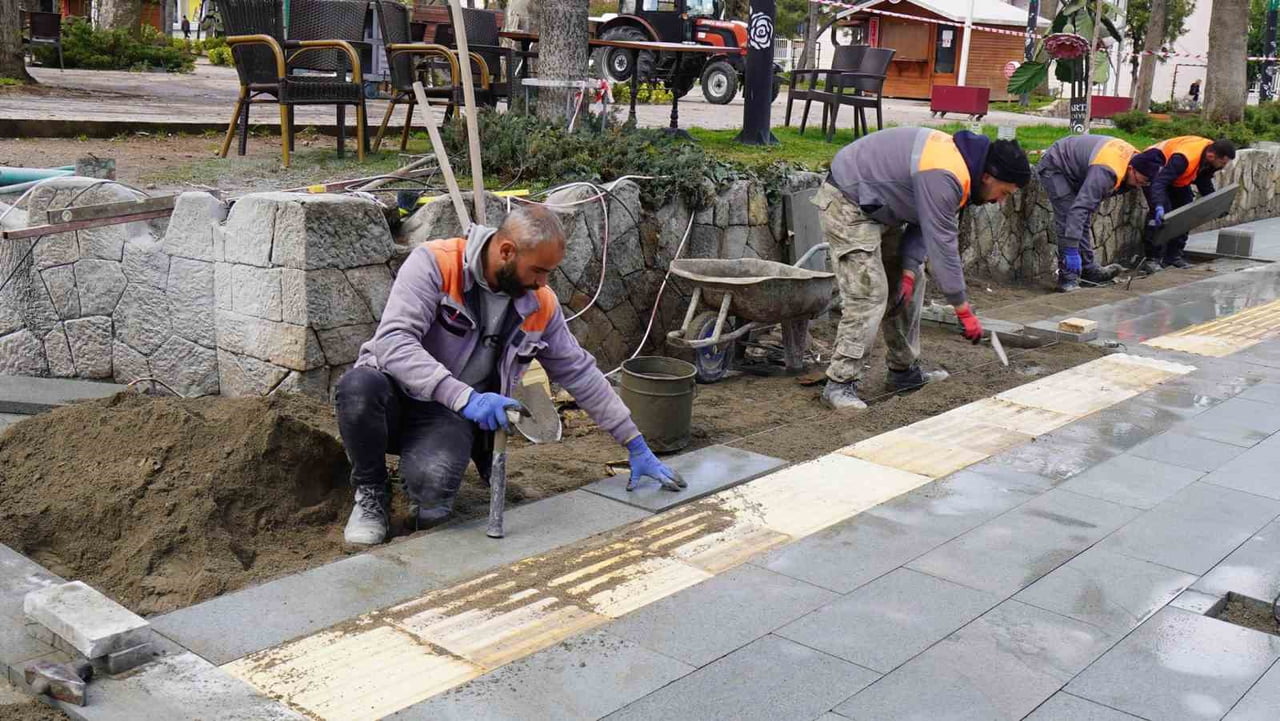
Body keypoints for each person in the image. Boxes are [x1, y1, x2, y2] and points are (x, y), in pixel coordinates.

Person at [335, 205, 685, 545]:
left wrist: (634, 442)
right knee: (358, 388)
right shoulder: (436, 263)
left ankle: (429, 479)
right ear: (506, 251)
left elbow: (580, 373)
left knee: (433, 495)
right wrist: (466, 397)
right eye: (538, 271)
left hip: (446, 414)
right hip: (397, 395)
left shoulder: (540, 304)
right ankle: (371, 490)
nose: (543, 283)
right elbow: (394, 343)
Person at [814, 127, 1032, 411]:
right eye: (1003, 192)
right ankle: (839, 384)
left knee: (912, 282)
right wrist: (962, 308)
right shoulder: (946, 173)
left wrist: (907, 266)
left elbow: (923, 221)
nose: (1000, 201)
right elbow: (943, 246)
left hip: (881, 204)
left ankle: (903, 373)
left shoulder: (963, 170)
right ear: (989, 176)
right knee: (869, 293)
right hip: (848, 198)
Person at [1038, 135, 1165, 292]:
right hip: (1057, 165)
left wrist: (1157, 206)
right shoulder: (1106, 172)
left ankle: (1088, 270)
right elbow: (1078, 211)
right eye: (1142, 181)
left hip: (1078, 167)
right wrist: (1071, 250)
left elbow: (1147, 183)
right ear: (1131, 169)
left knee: (1081, 219)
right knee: (1069, 217)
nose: (1142, 185)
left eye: (1146, 183)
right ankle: (1067, 279)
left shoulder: (1139, 162)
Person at [1140, 136, 1235, 273]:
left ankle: (1173, 256)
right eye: (1222, 162)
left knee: (1186, 210)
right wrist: (1159, 205)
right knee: (1163, 215)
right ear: (1211, 156)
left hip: (1177, 177)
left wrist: (1216, 204)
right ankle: (1152, 259)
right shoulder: (1184, 158)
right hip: (1155, 167)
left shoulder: (1209, 154)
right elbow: (1159, 183)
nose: (1223, 166)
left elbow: (1203, 180)